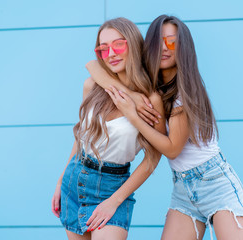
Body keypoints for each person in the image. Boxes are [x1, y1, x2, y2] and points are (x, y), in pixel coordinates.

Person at [86, 15, 243, 240]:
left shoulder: (187, 92)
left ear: (184, 47)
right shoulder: (152, 85)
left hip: (215, 183)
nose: (165, 48)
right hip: (183, 188)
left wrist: (132, 115)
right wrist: (134, 97)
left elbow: (172, 149)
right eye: (159, 42)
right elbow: (93, 66)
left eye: (172, 42)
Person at [51, 17, 165, 240]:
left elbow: (152, 159)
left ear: (133, 44)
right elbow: (82, 139)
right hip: (75, 182)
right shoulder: (92, 86)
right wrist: (59, 180)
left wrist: (114, 201)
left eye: (118, 45)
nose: (111, 53)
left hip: (114, 187)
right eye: (104, 49)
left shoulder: (150, 101)